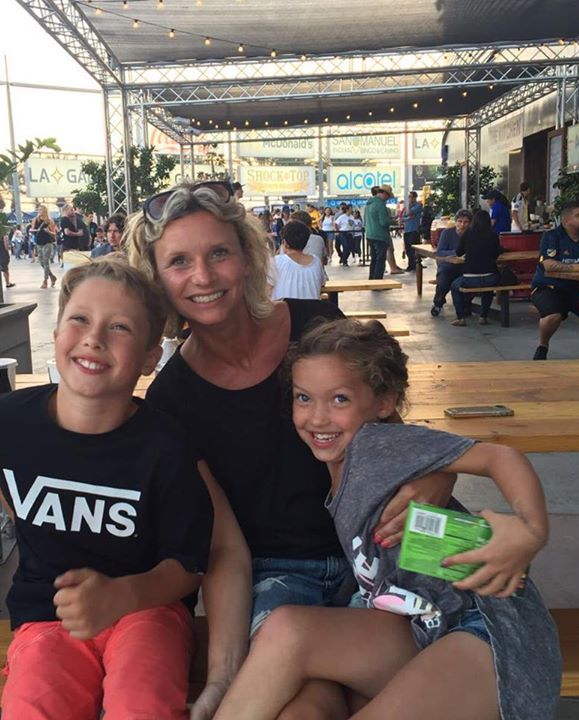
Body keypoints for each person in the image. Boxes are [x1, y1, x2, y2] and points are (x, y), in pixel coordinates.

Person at [126, 180, 455, 720]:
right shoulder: (172, 400)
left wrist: (437, 478)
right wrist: (223, 676)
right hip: (276, 575)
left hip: (378, 547)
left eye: (218, 253)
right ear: (157, 280)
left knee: (449, 653)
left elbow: (393, 439)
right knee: (307, 707)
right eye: (179, 261)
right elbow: (224, 548)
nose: (203, 276)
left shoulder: (316, 325)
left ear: (247, 258)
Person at [214, 318, 561, 720]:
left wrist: (531, 529)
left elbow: (499, 456)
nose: (317, 417)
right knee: (285, 629)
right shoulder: (344, 458)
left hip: (491, 632)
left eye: (339, 399)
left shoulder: (380, 446)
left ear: (384, 402)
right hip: (426, 626)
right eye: (303, 398)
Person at [0, 257, 213, 720]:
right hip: (47, 613)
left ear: (150, 358)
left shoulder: (167, 444)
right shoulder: (2, 421)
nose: (94, 338)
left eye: (120, 327)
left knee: (141, 705)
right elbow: (6, 490)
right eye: (79, 319)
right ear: (56, 332)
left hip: (148, 607)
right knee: (32, 707)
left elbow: (189, 566)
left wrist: (124, 595)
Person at [530, 201, 579, 360]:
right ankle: (542, 346)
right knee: (553, 315)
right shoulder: (552, 236)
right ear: (566, 221)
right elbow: (548, 265)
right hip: (549, 287)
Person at [450, 210, 501, 326]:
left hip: (470, 278)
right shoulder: (493, 235)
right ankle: (483, 316)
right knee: (488, 288)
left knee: (454, 286)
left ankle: (461, 317)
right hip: (490, 277)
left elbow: (458, 252)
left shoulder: (468, 233)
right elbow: (496, 255)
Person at [430, 210, 473, 317]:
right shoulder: (447, 233)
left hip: (466, 266)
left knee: (473, 280)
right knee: (443, 281)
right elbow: (439, 252)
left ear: (470, 223)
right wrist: (456, 253)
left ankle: (466, 304)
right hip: (448, 265)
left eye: (466, 222)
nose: (462, 225)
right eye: (460, 221)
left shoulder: (472, 234)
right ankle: (438, 303)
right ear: (456, 222)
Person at [272, 220, 326, 301]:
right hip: (311, 308)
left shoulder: (276, 262)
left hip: (284, 308)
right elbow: (322, 283)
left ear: (285, 243)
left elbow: (265, 290)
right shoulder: (316, 262)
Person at [365, 184, 393, 280]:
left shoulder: (369, 204)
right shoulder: (380, 204)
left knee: (374, 259)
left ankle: (371, 279)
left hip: (370, 234)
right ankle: (378, 281)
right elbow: (384, 222)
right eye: (388, 196)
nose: (387, 199)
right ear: (384, 193)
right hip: (380, 235)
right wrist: (391, 221)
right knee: (380, 260)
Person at [30, 205, 58, 289]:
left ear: (45, 211)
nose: (39, 211)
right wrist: (35, 230)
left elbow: (54, 234)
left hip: (47, 242)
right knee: (41, 262)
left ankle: (45, 281)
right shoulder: (35, 220)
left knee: (46, 262)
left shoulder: (49, 221)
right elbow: (32, 229)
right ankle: (52, 276)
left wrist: (48, 231)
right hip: (38, 243)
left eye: (41, 209)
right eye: (38, 210)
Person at [402, 190, 423, 272]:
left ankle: (415, 264)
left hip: (414, 230)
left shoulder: (418, 206)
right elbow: (403, 217)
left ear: (414, 197)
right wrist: (407, 218)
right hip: (407, 230)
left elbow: (410, 213)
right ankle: (410, 265)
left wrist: (408, 210)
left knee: (413, 249)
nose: (409, 198)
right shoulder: (408, 206)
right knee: (408, 249)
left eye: (410, 197)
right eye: (408, 197)